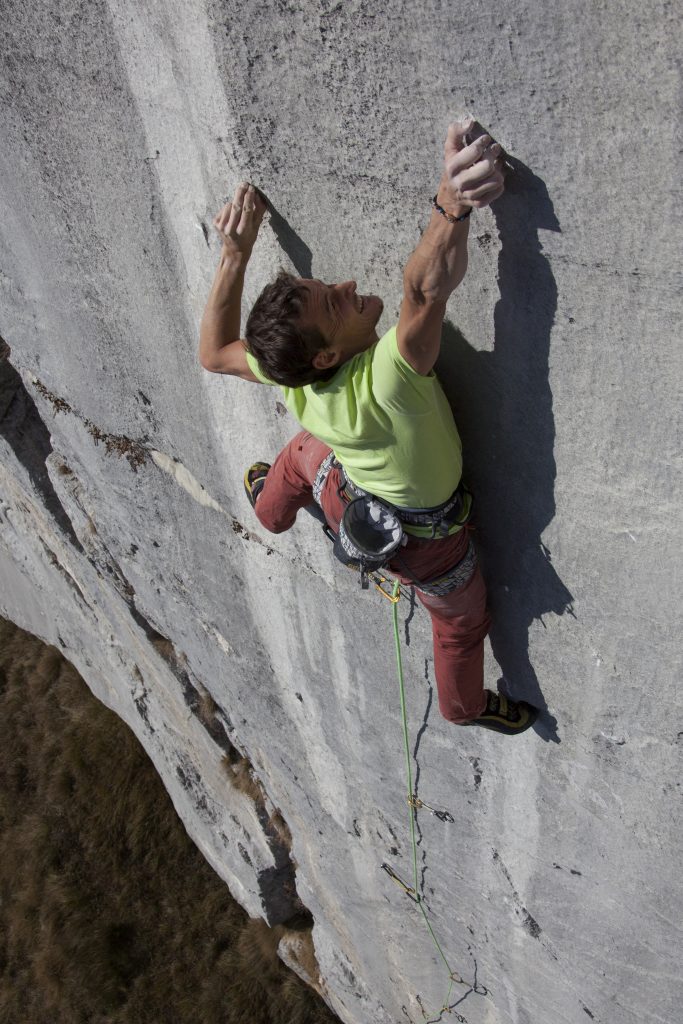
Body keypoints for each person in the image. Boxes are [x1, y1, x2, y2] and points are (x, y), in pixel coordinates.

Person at [199, 118, 538, 736]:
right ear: (325, 356)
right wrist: (451, 203)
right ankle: (464, 709)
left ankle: (269, 510)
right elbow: (421, 290)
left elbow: (214, 349)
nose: (348, 285)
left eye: (325, 286)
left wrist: (234, 255)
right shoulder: (388, 379)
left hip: (342, 488)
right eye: (334, 301)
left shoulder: (288, 373)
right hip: (430, 547)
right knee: (461, 624)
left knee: (305, 453)